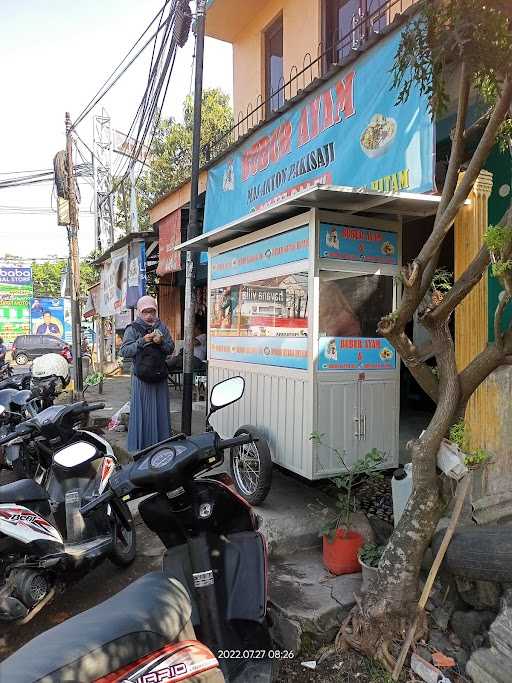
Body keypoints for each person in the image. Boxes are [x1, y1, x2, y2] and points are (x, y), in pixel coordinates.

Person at [120, 296, 174, 452]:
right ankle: (142, 447)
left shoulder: (161, 326)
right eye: (145, 312)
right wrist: (142, 341)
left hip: (159, 376)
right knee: (142, 412)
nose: (149, 315)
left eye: (152, 311)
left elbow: (170, 348)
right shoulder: (133, 329)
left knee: (160, 411)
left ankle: (162, 445)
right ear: (139, 312)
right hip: (141, 378)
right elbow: (124, 351)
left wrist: (161, 342)